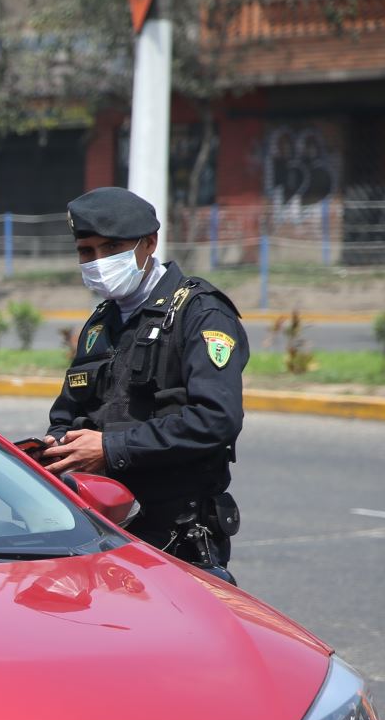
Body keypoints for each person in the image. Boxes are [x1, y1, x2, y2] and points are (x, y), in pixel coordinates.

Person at [41, 187, 247, 582]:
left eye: (112, 247)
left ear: (149, 243)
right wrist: (58, 444)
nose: (99, 262)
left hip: (178, 537)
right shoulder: (101, 323)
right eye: (87, 251)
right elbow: (67, 413)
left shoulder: (201, 313)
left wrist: (108, 448)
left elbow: (215, 419)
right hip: (102, 531)